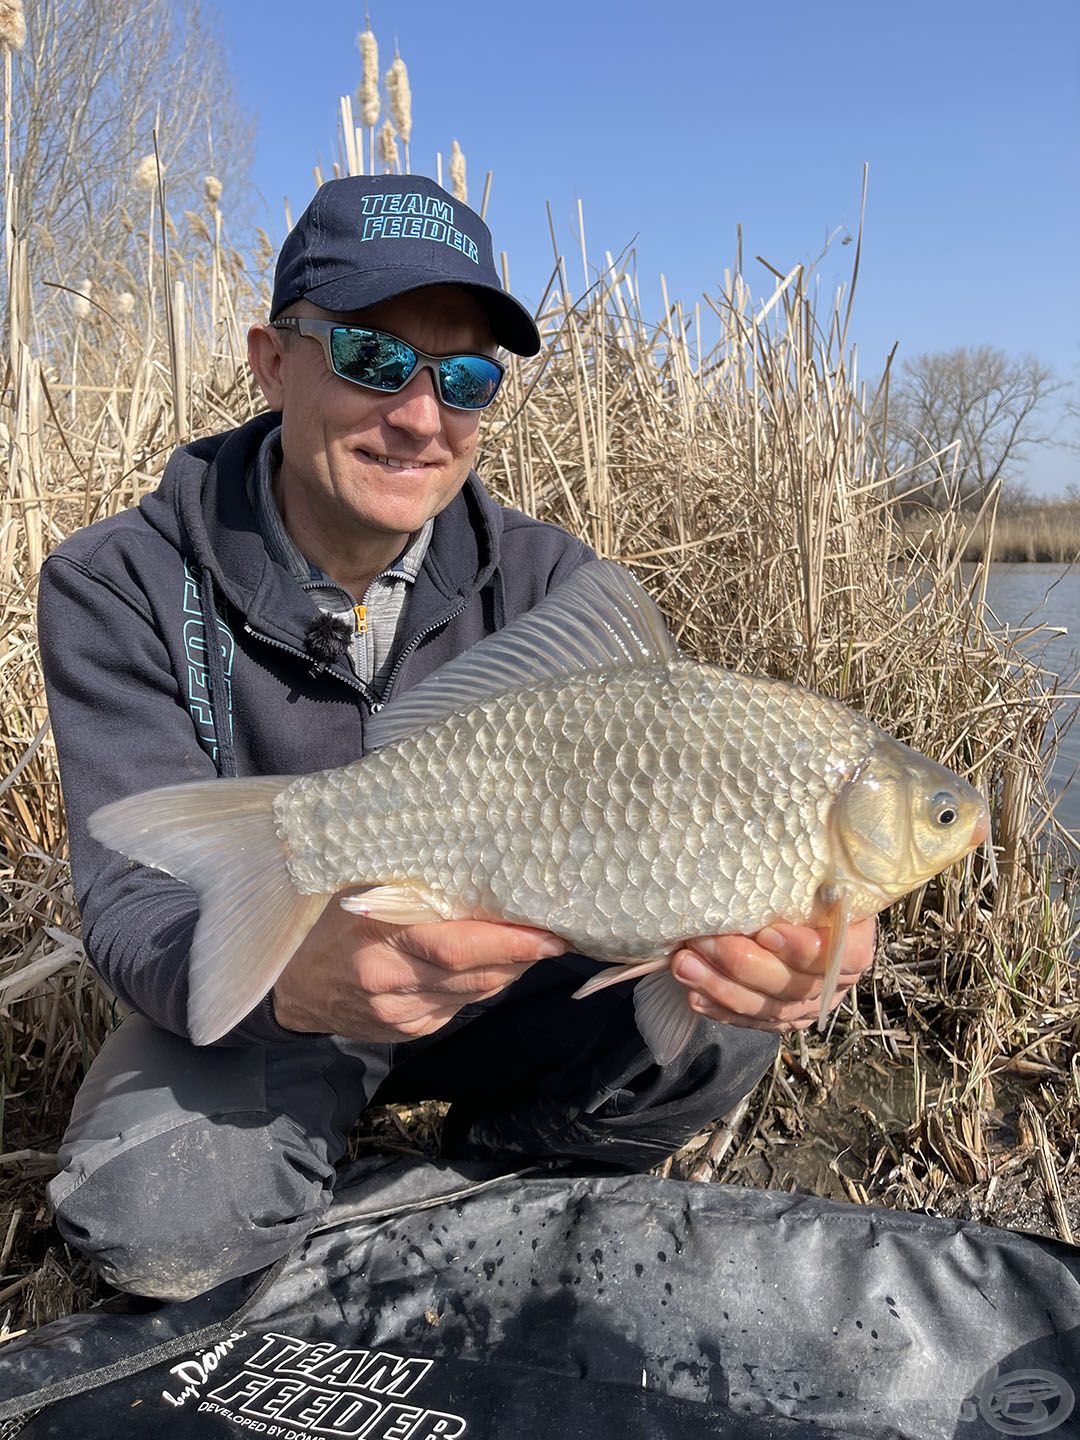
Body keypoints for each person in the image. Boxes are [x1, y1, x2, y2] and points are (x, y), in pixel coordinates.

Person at [37, 175, 875, 1302]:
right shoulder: (118, 583)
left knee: (717, 1033)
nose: (422, 416)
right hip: (269, 1004)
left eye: (466, 377)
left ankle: (463, 1178)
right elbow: (136, 907)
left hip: (501, 988)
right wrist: (297, 978)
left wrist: (807, 940)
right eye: (374, 359)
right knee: (152, 1218)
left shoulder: (554, 586)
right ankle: (313, 1143)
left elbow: (713, 828)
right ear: (273, 362)